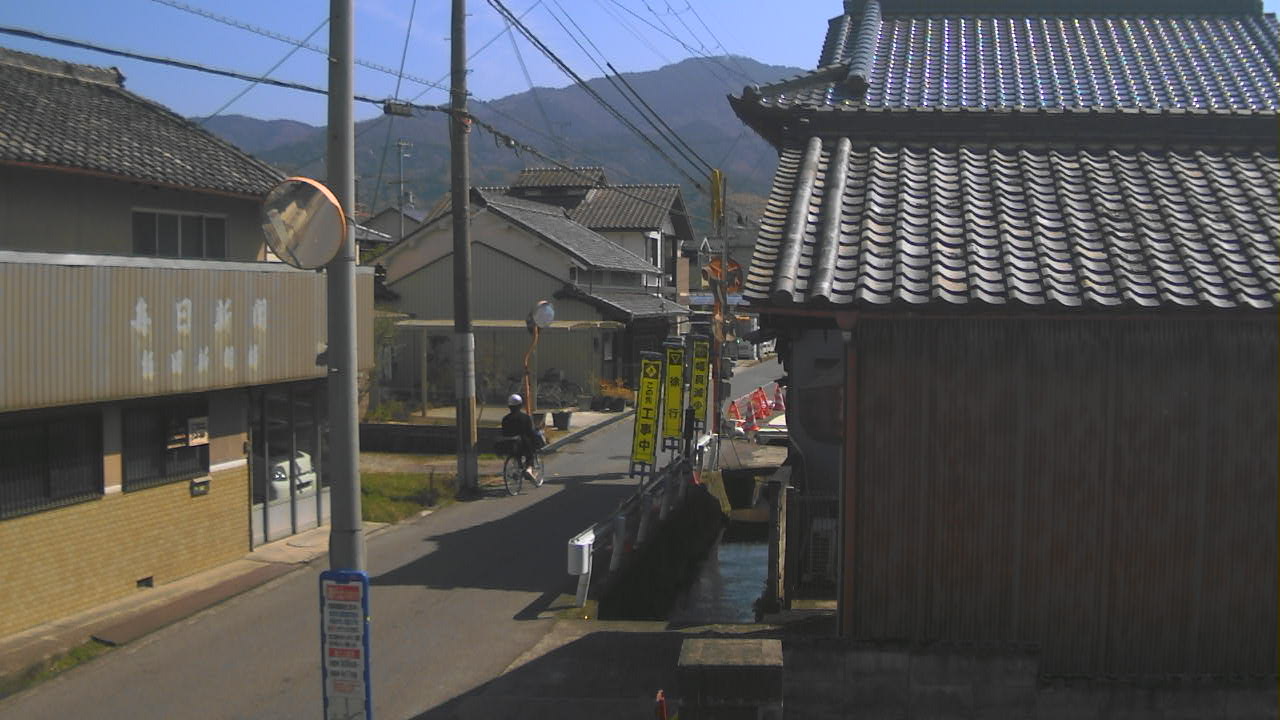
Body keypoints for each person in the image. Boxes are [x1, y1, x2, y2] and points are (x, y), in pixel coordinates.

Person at [501, 394, 540, 480]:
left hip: (508, 445)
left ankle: (518, 469)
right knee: (530, 451)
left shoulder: (505, 419)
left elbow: (504, 432)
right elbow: (530, 432)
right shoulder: (525, 418)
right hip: (522, 444)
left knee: (517, 455)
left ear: (509, 406)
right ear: (520, 405)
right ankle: (529, 469)